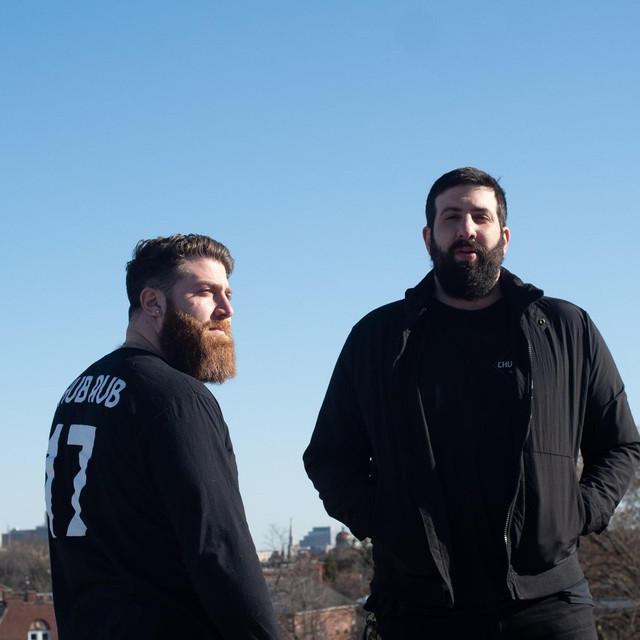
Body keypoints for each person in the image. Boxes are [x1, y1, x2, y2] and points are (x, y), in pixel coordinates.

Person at [303, 168, 640, 639]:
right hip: (418, 607)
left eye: (481, 216)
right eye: (451, 217)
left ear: (504, 236)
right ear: (428, 237)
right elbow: (330, 455)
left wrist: (579, 512)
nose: (466, 228)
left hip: (548, 604)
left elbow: (620, 444)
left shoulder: (566, 328)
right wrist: (382, 522)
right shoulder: (377, 338)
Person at [45, 234, 281, 640]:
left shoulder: (75, 394)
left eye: (227, 293)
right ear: (152, 302)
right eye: (205, 292)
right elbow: (220, 548)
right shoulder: (176, 397)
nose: (226, 309)